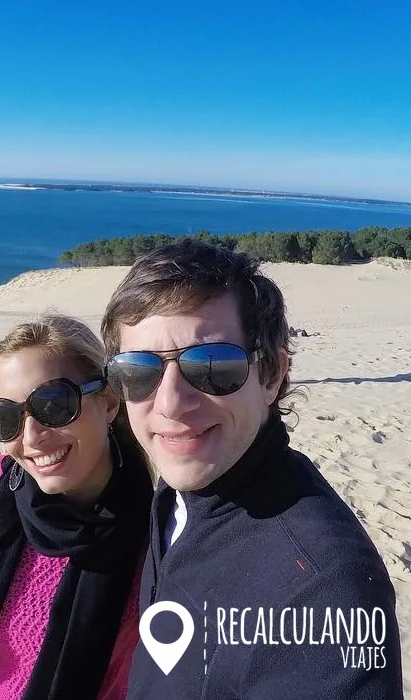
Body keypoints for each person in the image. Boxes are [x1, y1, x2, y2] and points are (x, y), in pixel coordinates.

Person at [99, 239, 403, 698]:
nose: (170, 404)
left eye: (212, 366)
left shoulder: (321, 588)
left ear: (272, 374)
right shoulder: (182, 488)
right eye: (137, 371)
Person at [0, 315, 154, 700]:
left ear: (107, 402)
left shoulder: (155, 535)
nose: (32, 438)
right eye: (6, 417)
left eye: (54, 405)